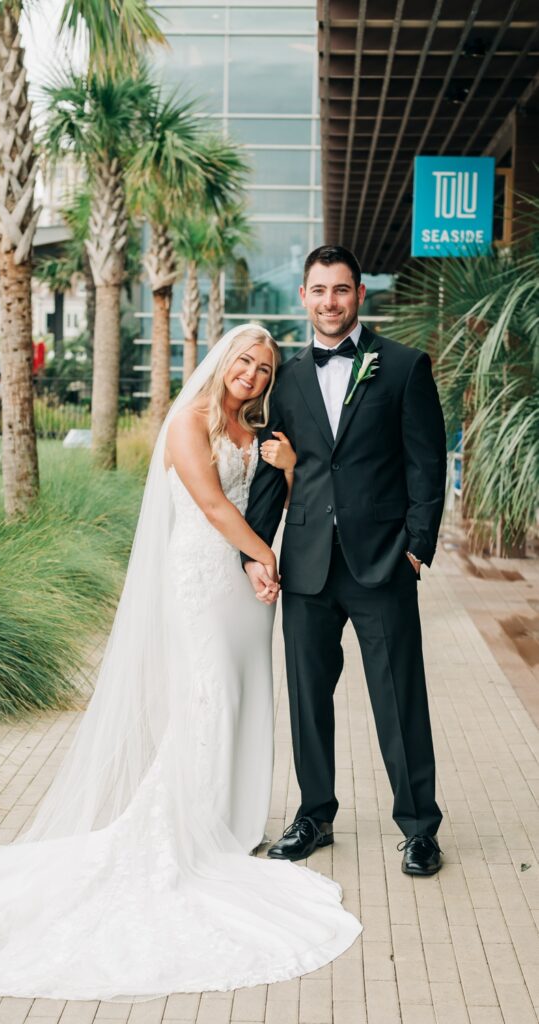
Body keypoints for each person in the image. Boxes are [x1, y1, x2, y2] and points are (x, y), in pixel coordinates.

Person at [0, 324, 361, 1001]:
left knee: (246, 694)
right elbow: (214, 504)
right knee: (209, 695)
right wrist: (263, 555)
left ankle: (229, 818)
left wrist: (282, 474)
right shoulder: (189, 423)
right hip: (203, 575)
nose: (252, 375)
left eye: (264, 369)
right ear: (223, 361)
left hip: (245, 588)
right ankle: (186, 822)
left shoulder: (252, 425)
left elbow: (270, 495)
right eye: (244, 362)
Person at [244, 247, 447, 877]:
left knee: (399, 697)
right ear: (303, 297)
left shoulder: (405, 367)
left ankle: (419, 827)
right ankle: (315, 813)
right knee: (307, 698)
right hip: (305, 564)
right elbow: (273, 472)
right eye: (318, 290)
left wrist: (417, 548)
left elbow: (427, 464)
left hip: (383, 562)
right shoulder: (289, 378)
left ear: (359, 293)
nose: (330, 302)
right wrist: (253, 551)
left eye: (340, 290)